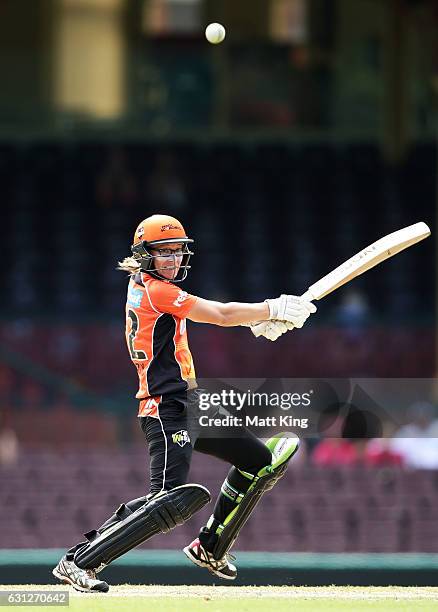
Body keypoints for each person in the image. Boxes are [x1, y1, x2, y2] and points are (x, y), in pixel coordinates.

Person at [52, 214, 316, 593]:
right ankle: (79, 561)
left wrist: (257, 323)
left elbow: (210, 318)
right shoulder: (157, 291)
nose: (173, 260)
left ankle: (210, 547)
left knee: (258, 461)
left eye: (178, 251)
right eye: (164, 253)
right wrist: (271, 309)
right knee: (165, 501)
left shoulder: (144, 284)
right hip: (165, 409)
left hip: (191, 404)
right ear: (145, 255)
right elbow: (222, 314)